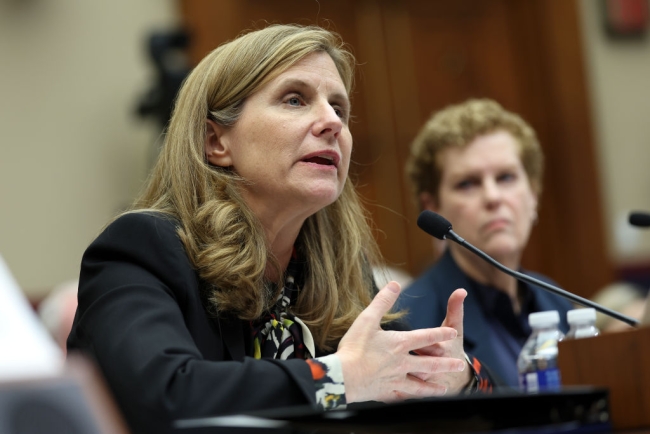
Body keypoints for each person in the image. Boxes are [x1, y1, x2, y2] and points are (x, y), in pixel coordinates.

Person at [67, 24, 484, 433]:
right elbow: (168, 397)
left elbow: (467, 400)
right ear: (216, 142)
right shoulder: (141, 250)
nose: (332, 123)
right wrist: (337, 377)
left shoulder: (333, 269)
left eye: (339, 108)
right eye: (295, 100)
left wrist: (455, 377)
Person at [400, 98, 573, 388]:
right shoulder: (412, 323)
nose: (493, 197)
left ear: (533, 195)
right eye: (467, 183)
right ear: (434, 207)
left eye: (506, 177)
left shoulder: (557, 301)